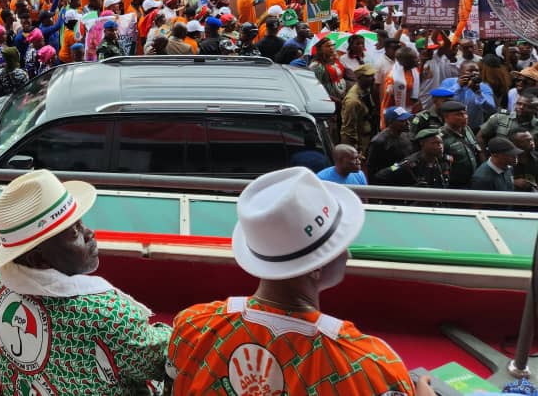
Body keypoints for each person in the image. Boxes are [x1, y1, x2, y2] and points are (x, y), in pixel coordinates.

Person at [166, 167, 426, 396]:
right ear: (316, 268)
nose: (347, 254)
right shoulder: (370, 366)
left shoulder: (193, 327)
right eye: (339, 245)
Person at [0, 170, 171, 395]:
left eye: (81, 224)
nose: (90, 233)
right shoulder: (107, 314)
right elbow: (166, 359)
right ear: (38, 258)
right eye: (74, 232)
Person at [374, 128, 453, 189]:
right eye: (434, 143)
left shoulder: (446, 160)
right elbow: (381, 175)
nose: (440, 146)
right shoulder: (408, 163)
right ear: (422, 144)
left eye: (441, 143)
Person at [441, 61, 496, 131]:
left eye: (477, 71)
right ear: (460, 72)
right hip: (450, 127)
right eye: (470, 71)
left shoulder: (484, 87)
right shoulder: (448, 82)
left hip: (474, 129)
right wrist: (458, 86)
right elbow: (441, 101)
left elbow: (491, 109)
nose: (474, 73)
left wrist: (478, 93)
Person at [438, 100, 481, 189]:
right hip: (455, 186)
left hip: (472, 182)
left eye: (465, 113)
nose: (465, 117)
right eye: (459, 114)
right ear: (446, 117)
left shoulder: (467, 129)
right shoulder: (441, 137)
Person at [339, 64, 378, 156]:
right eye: (369, 76)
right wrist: (353, 151)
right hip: (360, 143)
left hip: (368, 136)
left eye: (373, 75)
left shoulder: (366, 90)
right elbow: (348, 130)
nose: (373, 78)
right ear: (360, 78)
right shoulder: (353, 101)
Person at [366, 106, 415, 180]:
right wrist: (398, 166)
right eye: (402, 121)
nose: (408, 123)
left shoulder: (408, 135)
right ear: (391, 122)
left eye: (408, 119)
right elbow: (374, 173)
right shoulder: (379, 142)